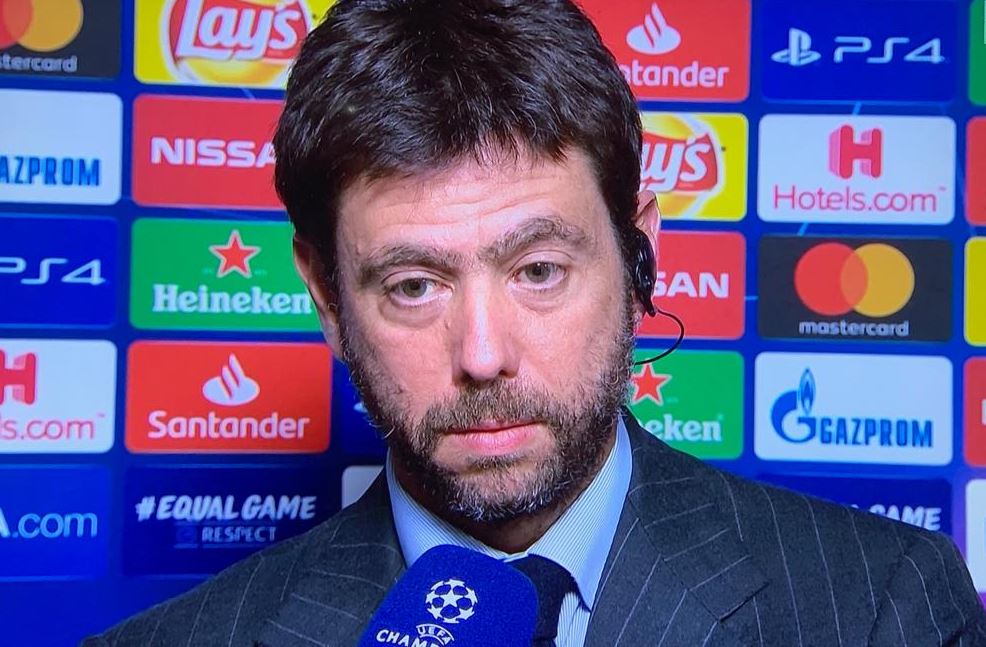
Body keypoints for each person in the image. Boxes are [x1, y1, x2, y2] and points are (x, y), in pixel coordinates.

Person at [86, 0, 986, 645]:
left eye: (539, 271)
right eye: (414, 286)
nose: (484, 355)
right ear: (326, 295)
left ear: (638, 255)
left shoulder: (883, 606)